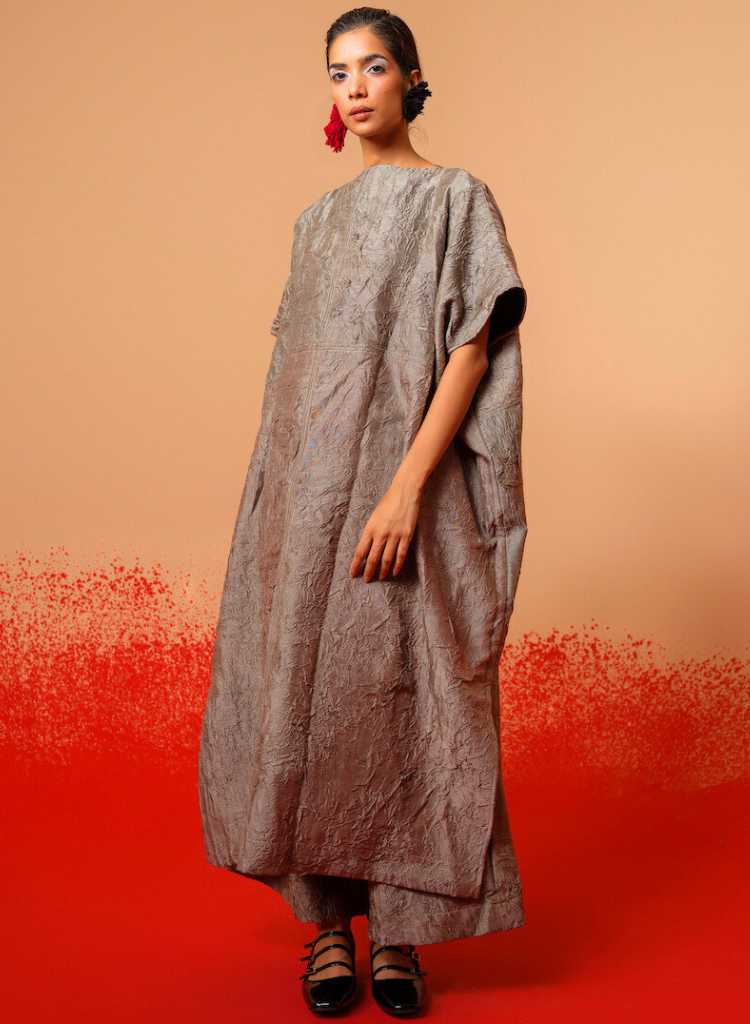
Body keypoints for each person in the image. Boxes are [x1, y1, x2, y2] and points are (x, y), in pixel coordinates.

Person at [198, 7, 529, 1017]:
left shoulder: (454, 198)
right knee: (303, 702)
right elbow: (294, 380)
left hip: (402, 496)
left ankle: (400, 932)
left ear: (411, 79)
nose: (353, 87)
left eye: (373, 66)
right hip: (301, 504)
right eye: (338, 71)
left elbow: (471, 347)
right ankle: (326, 931)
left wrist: (405, 487)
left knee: (397, 698)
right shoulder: (314, 223)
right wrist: (273, 504)